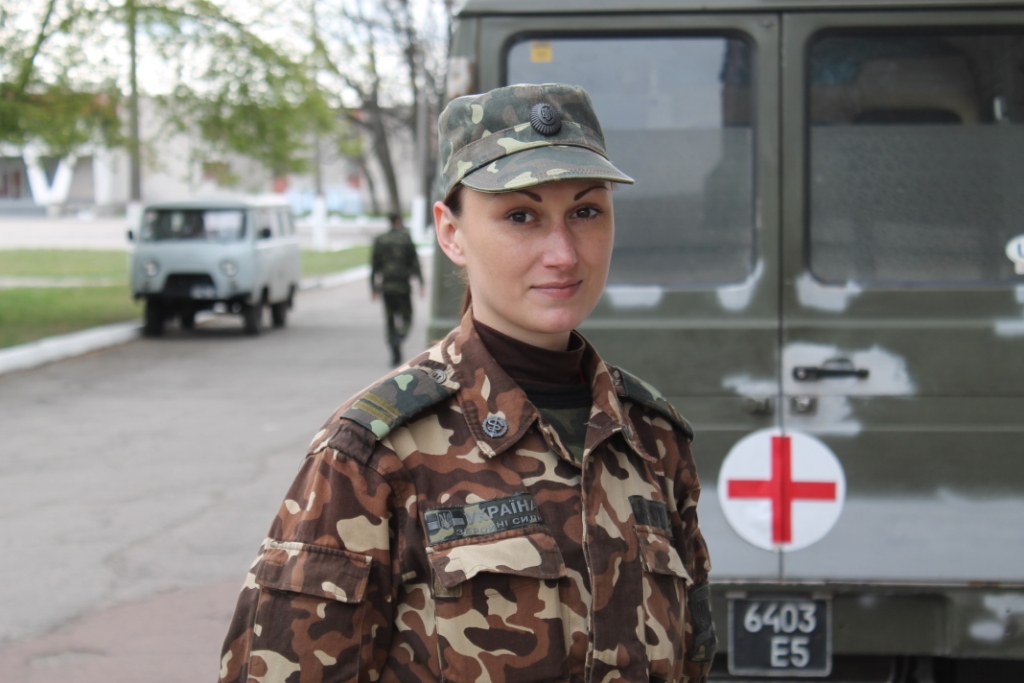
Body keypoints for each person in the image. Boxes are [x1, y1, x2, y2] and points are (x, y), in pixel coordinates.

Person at [217, 83, 716, 683]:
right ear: (451, 233)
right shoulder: (374, 454)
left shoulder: (652, 438)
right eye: (521, 216)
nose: (563, 253)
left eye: (586, 212)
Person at [370, 211, 424, 365]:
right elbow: (415, 263)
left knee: (390, 319)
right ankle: (399, 337)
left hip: (387, 286)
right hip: (403, 286)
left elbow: (374, 266)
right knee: (407, 318)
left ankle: (394, 350)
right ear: (399, 220)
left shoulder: (381, 240)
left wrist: (373, 287)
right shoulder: (406, 239)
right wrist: (421, 283)